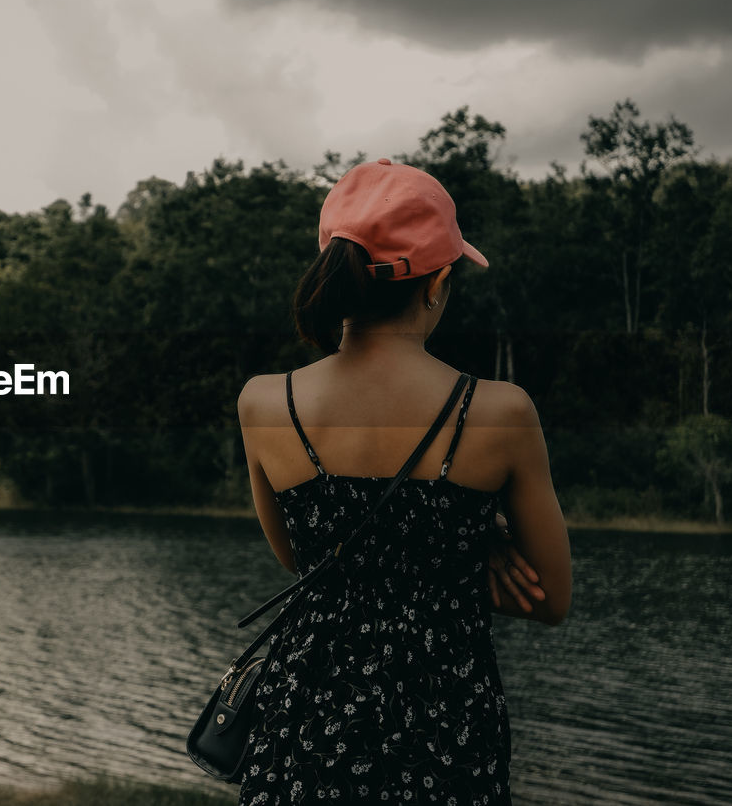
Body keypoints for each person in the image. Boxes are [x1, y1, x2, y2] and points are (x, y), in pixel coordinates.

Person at [234, 158, 572, 804]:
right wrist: (480, 538)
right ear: (437, 282)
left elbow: (300, 561)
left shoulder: (264, 403)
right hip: (445, 724)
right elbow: (550, 599)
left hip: (303, 721)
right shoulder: (502, 413)